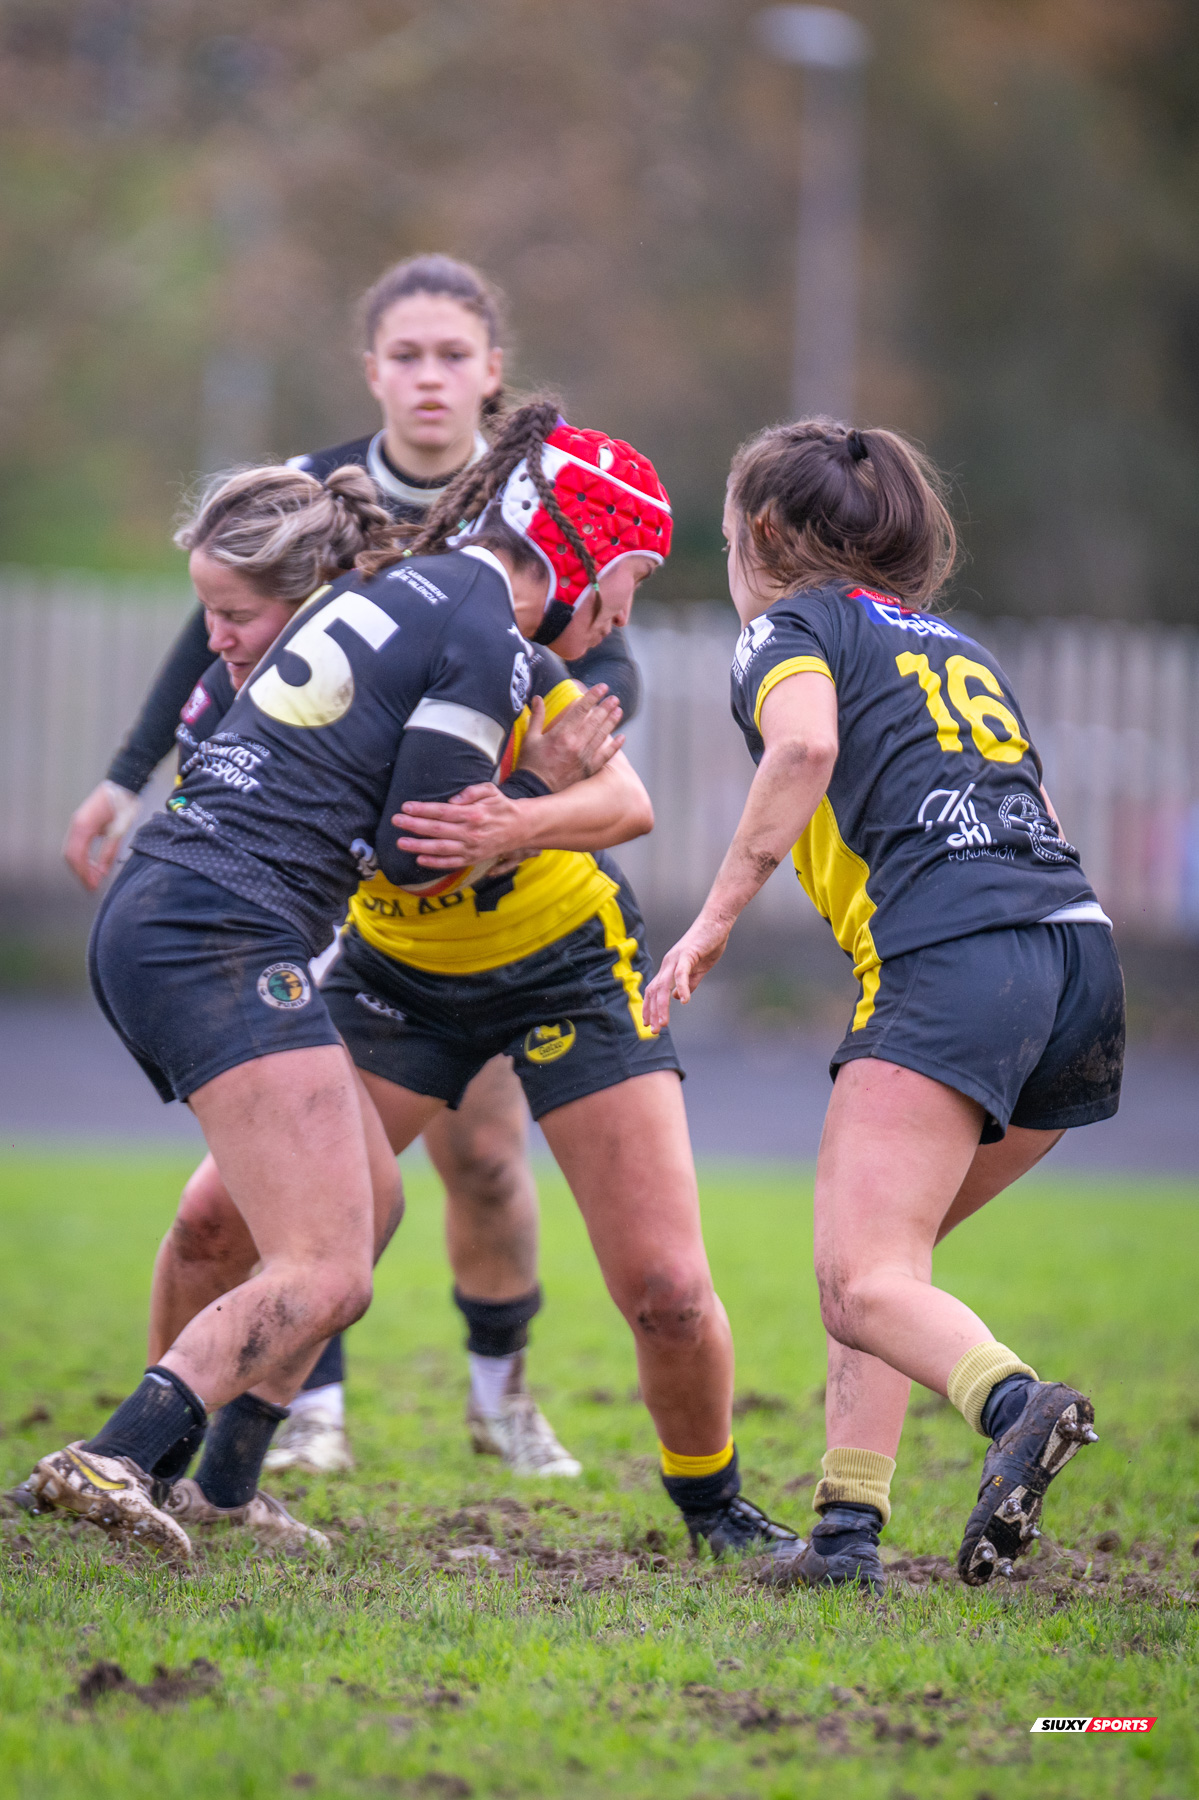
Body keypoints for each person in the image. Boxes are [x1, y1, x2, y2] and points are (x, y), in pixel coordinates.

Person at [138, 402, 808, 1568]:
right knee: (216, 1220)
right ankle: (176, 1475)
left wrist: (519, 817)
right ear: (580, 549)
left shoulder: (523, 653)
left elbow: (626, 805)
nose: (628, 608)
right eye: (634, 575)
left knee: (662, 1283)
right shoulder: (381, 615)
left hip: (565, 969)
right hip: (397, 972)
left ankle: (714, 1509)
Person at [63, 254, 640, 1479]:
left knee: (361, 1210)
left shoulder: (386, 572)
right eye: (624, 587)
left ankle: (219, 1485)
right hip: (231, 925)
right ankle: (124, 1463)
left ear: (490, 377)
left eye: (452, 356)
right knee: (322, 1260)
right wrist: (529, 795)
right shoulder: (469, 616)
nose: (624, 621)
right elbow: (415, 847)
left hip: (190, 898)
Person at [646, 418, 1119, 1591]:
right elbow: (1039, 814)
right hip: (1076, 960)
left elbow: (801, 747)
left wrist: (709, 919)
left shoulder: (784, 626)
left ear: (758, 535)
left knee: (861, 1277)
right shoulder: (946, 642)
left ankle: (1018, 1406)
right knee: (875, 1271)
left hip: (952, 960)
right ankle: (846, 1536)